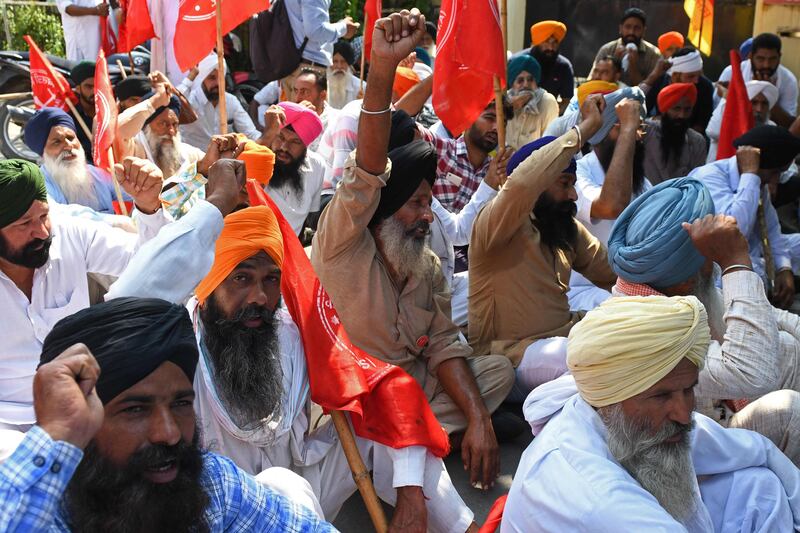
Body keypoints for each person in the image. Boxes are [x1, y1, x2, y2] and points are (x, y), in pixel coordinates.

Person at [312, 9, 515, 492]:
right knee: (398, 438)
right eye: (418, 203)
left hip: (415, 392)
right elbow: (366, 170)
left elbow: (444, 342)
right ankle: (428, 444)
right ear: (385, 204)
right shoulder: (342, 239)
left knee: (496, 372)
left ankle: (455, 430)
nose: (429, 215)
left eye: (431, 202)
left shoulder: (423, 263)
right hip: (360, 402)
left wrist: (480, 420)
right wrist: (381, 71)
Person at [188, 206, 477, 530]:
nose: (259, 296)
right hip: (222, 515)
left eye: (271, 279)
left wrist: (411, 492)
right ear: (210, 283)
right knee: (282, 486)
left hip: (303, 480)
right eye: (242, 277)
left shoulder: (289, 330)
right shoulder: (182, 354)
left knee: (387, 423)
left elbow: (377, 384)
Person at [0, 297, 337, 531]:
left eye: (180, 404)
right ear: (84, 422)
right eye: (134, 409)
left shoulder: (209, 484)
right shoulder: (44, 509)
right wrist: (58, 434)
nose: (170, 433)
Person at [500, 296, 800, 531]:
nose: (684, 414)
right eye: (662, 396)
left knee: (760, 487)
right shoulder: (603, 501)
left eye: (688, 390)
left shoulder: (610, 414)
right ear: (610, 399)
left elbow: (756, 449)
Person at [0, 151, 244, 432]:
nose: (42, 232)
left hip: (88, 403)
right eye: (23, 225)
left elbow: (146, 264)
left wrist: (149, 208)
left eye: (44, 216)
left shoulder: (70, 235)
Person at [608, 178, 800, 464]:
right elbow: (753, 372)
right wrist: (735, 261)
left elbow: (775, 319)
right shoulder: (646, 327)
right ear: (687, 275)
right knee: (791, 412)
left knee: (786, 347)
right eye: (711, 252)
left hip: (718, 416)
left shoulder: (674, 287)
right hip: (683, 450)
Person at [468, 95, 617, 400]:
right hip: (510, 357)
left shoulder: (563, 227)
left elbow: (613, 271)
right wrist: (584, 129)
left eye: (573, 183)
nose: (574, 194)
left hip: (565, 335)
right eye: (564, 183)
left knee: (625, 333)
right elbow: (523, 182)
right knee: (575, 358)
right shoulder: (496, 222)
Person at [690, 126, 800, 308]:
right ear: (757, 165)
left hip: (751, 252)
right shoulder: (709, 177)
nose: (775, 181)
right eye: (775, 172)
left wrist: (784, 268)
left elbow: (772, 229)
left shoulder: (759, 181)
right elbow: (735, 230)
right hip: (715, 265)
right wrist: (750, 175)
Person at [568, 90, 648, 312]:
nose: (638, 136)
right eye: (631, 127)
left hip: (627, 287)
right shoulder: (578, 174)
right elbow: (611, 206)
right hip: (583, 291)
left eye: (641, 127)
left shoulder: (641, 183)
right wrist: (628, 129)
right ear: (606, 132)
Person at [24, 108, 128, 213]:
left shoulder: (98, 175)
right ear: (43, 153)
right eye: (57, 142)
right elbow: (62, 218)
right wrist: (116, 223)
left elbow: (134, 193)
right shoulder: (39, 186)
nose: (69, 146)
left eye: (70, 138)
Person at [260, 102, 326, 236]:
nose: (284, 147)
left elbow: (305, 222)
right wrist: (267, 136)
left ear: (306, 148)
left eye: (295, 142)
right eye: (280, 137)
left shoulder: (317, 166)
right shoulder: (258, 157)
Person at [117, 84, 205, 179]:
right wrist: (156, 101)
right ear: (147, 127)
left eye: (174, 124)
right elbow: (116, 131)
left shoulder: (187, 154)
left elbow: (211, 164)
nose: (171, 131)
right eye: (163, 124)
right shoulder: (136, 149)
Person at [177, 54, 261, 150]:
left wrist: (271, 137)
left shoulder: (230, 101)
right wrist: (190, 78)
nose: (218, 83)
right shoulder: (191, 101)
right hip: (196, 162)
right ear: (202, 79)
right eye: (212, 78)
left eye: (221, 77)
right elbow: (171, 104)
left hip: (223, 162)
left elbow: (251, 134)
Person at [282, 0, 360, 102]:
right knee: (308, 117)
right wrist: (344, 28)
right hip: (308, 70)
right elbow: (315, 31)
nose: (339, 65)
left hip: (293, 67)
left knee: (297, 116)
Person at [718, 33, 798, 126]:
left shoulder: (788, 80)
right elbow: (719, 118)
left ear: (779, 57)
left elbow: (789, 124)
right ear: (751, 56)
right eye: (761, 59)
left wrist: (768, 94)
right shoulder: (731, 72)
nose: (766, 65)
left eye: (772, 59)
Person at [643, 83, 708, 184]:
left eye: (687, 109)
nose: (681, 115)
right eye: (676, 109)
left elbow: (697, 180)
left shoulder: (697, 141)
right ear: (664, 109)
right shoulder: (647, 131)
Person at [644, 48, 715, 134]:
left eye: (699, 75)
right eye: (691, 76)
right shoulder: (661, 80)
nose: (696, 81)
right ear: (675, 75)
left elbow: (701, 125)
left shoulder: (704, 86)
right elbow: (644, 108)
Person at [707, 80, 779, 161]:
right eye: (754, 103)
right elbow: (713, 132)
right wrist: (726, 97)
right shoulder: (728, 120)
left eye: (764, 104)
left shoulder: (771, 128)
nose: (759, 109)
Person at [592, 8, 661, 87]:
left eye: (637, 28)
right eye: (628, 27)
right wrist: (614, 62)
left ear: (643, 31)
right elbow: (594, 80)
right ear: (620, 29)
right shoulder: (607, 50)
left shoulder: (653, 54)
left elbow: (648, 92)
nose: (631, 32)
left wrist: (633, 66)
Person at [505, 55, 559, 149]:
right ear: (512, 85)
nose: (526, 84)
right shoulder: (506, 99)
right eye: (520, 80)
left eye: (530, 80)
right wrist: (508, 107)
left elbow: (549, 146)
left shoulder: (547, 102)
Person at [522, 21, 575, 113]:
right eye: (546, 42)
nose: (550, 47)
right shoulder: (519, 62)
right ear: (537, 42)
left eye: (555, 42)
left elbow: (566, 101)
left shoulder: (564, 66)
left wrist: (551, 119)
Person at [293, 68, 337, 152]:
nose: (297, 98)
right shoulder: (289, 118)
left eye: (305, 92)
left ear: (323, 95)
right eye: (296, 91)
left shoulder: (336, 120)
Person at [68, 61, 96, 163]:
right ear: (78, 89)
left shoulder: (109, 113)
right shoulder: (71, 118)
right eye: (89, 86)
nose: (94, 91)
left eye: (97, 85)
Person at [328, 40, 365, 109]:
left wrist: (362, 105)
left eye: (343, 61)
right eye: (335, 61)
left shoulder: (361, 87)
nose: (339, 66)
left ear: (349, 63)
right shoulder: (320, 86)